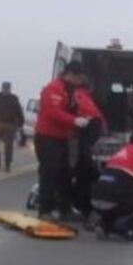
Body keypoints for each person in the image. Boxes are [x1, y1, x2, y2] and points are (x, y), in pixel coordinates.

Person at [34, 62, 90, 220]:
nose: (80, 81)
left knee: (64, 174)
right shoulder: (53, 89)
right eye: (78, 78)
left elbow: (73, 108)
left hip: (62, 138)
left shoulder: (71, 91)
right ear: (70, 74)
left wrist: (84, 118)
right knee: (49, 173)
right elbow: (53, 113)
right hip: (47, 137)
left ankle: (65, 208)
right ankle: (45, 210)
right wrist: (74, 121)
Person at [70, 82, 106, 220]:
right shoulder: (82, 97)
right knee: (84, 174)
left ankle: (80, 206)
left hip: (81, 140)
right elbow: (97, 119)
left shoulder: (78, 97)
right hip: (82, 139)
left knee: (81, 174)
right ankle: (82, 207)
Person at [0, 81, 25, 171]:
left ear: (10, 89)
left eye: (7, 89)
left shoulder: (14, 98)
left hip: (10, 124)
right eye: (4, 88)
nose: (6, 90)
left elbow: (19, 111)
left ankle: (7, 164)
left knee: (9, 146)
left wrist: (20, 123)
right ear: (1, 88)